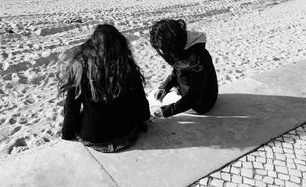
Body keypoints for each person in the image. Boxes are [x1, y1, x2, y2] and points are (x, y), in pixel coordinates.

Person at [58, 24, 150, 153]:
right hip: (125, 136)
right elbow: (141, 107)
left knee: (84, 116)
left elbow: (71, 106)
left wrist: (67, 134)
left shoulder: (81, 68)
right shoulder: (127, 68)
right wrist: (143, 119)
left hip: (93, 138)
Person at [150, 19, 218, 118]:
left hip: (202, 103)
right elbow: (176, 70)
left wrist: (165, 111)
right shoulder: (183, 44)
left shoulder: (196, 59)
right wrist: (165, 87)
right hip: (194, 92)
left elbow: (194, 96)